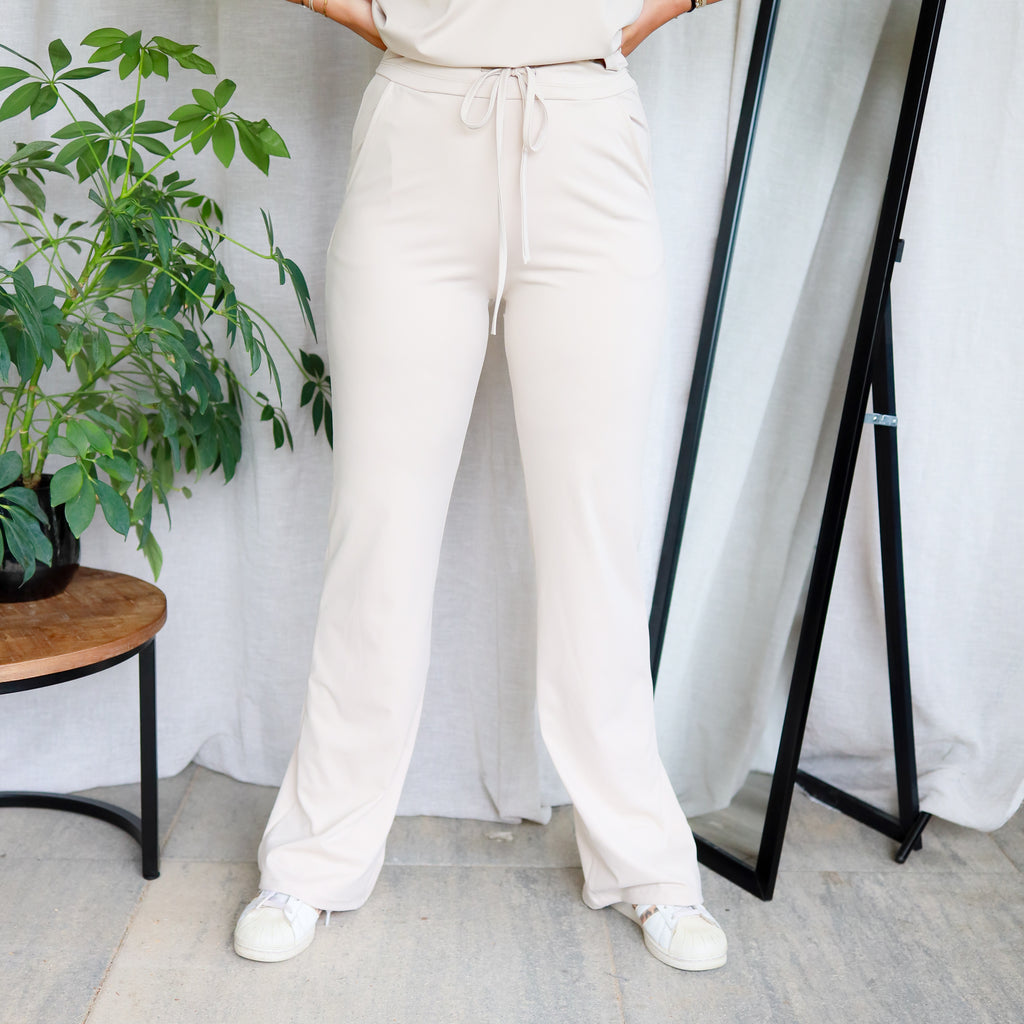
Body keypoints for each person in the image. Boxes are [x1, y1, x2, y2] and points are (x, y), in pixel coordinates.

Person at [234, 0, 728, 972]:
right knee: (378, 531)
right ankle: (314, 859)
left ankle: (649, 865)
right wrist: (396, 19)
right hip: (417, 138)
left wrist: (621, 19)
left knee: (594, 536)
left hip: (585, 140)